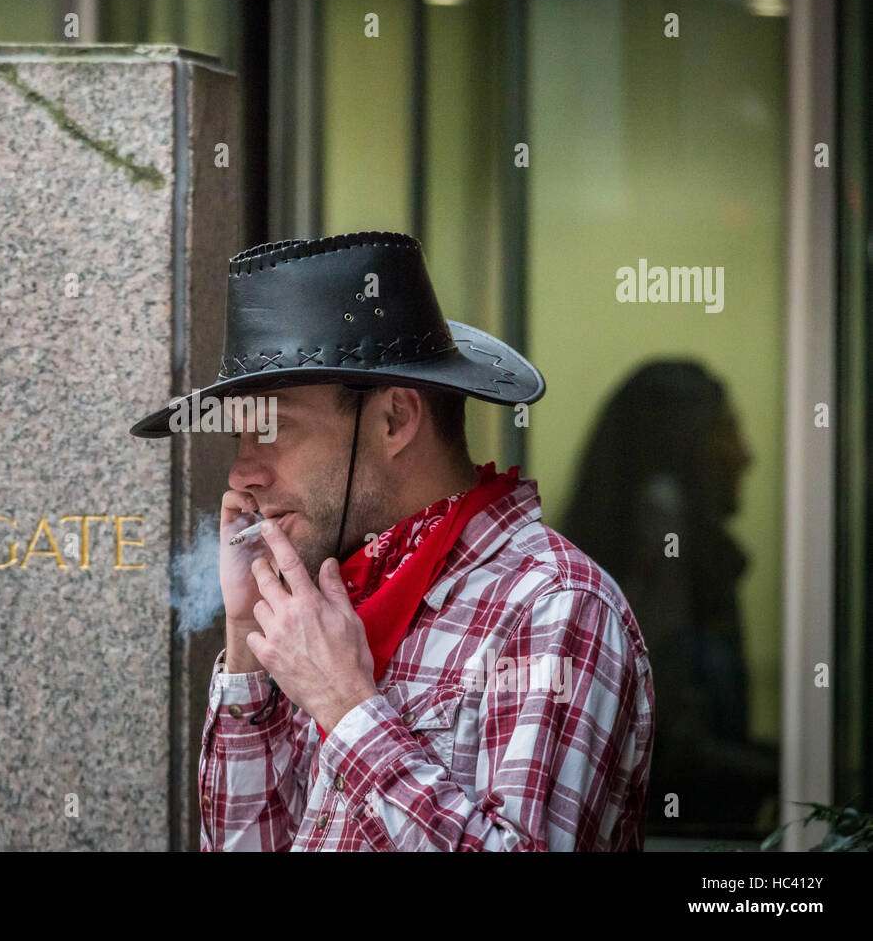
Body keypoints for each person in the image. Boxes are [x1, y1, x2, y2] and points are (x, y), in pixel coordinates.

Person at [130, 231, 654, 850]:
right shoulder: (329, 597)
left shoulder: (554, 606)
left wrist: (346, 705)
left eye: (273, 428)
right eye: (239, 438)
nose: (241, 473)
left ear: (394, 419)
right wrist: (248, 639)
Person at [560, 361, 775, 839]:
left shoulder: (663, 546)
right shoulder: (660, 521)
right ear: (686, 444)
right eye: (726, 431)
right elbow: (670, 742)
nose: (745, 454)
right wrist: (801, 771)